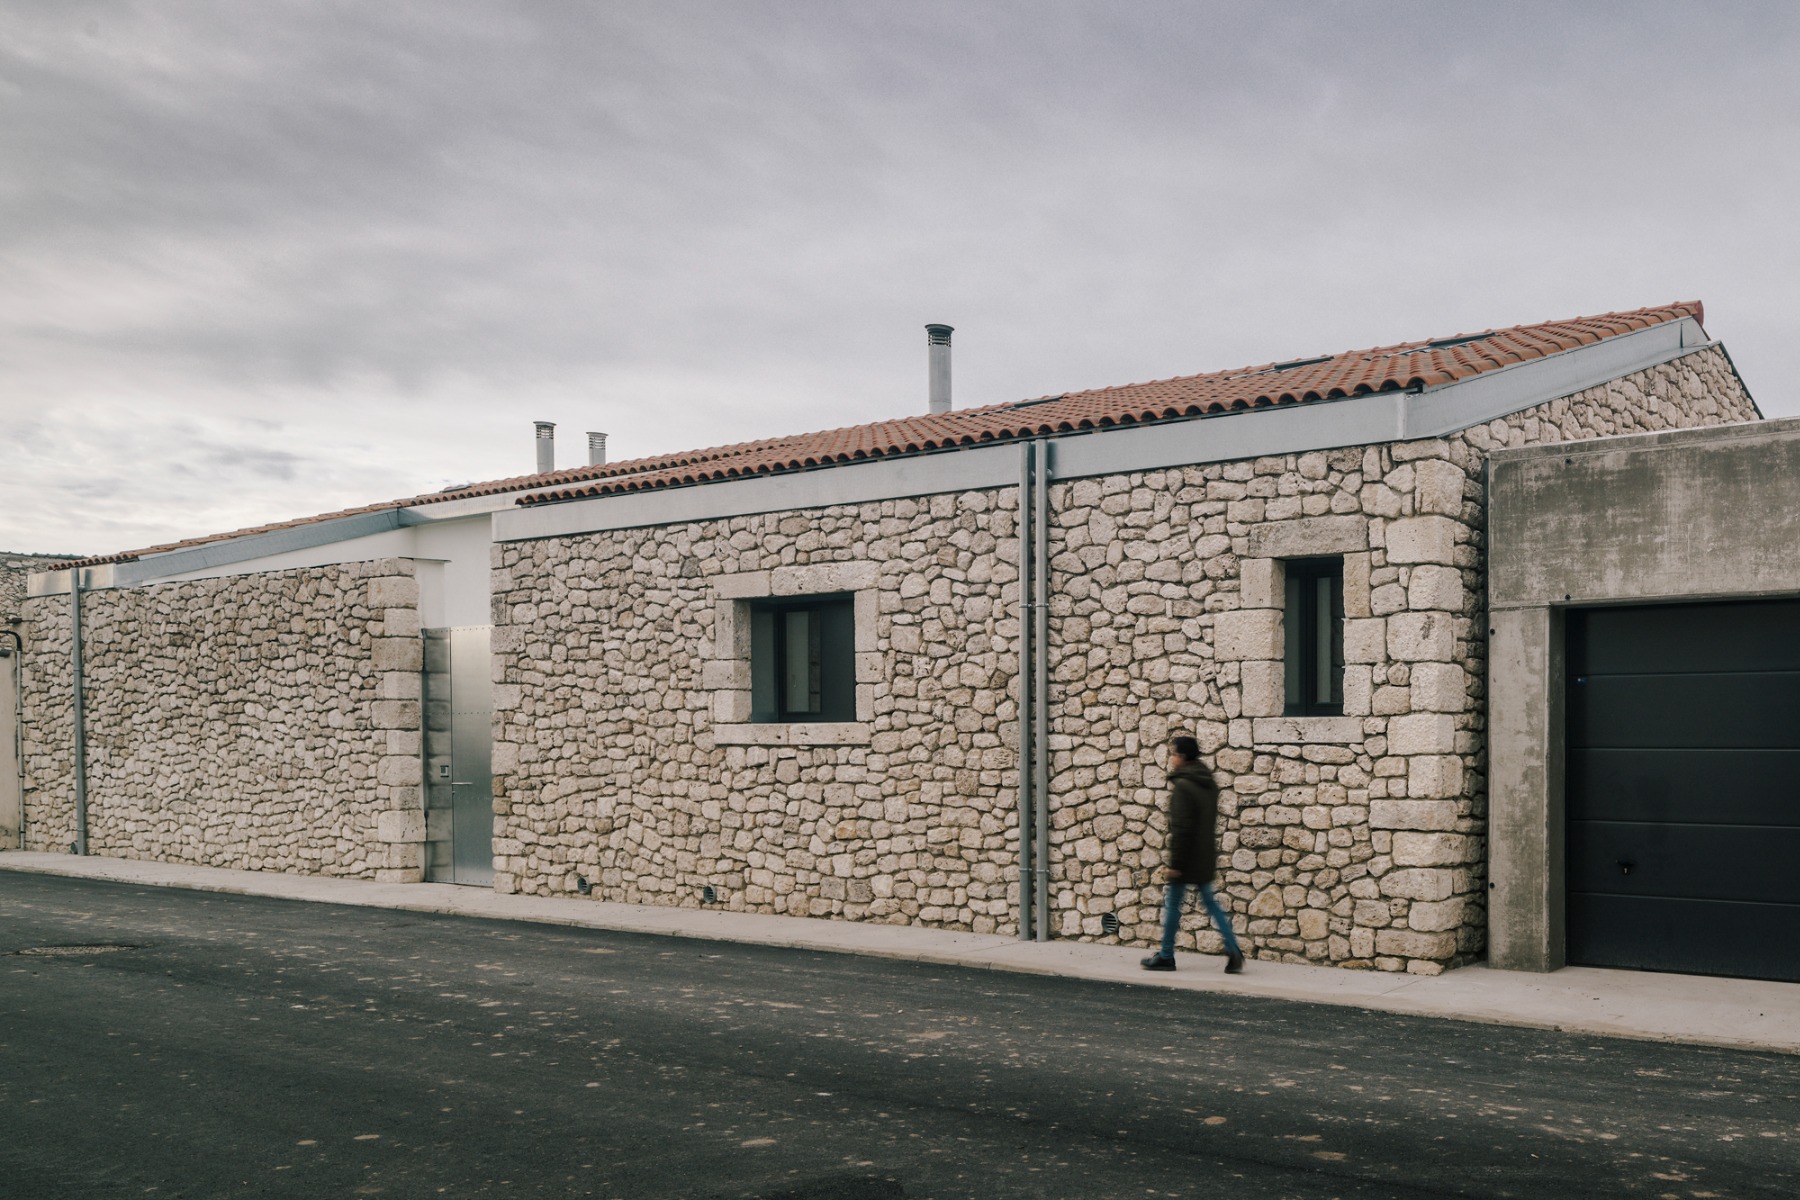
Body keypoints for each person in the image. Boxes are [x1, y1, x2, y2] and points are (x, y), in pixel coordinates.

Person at [1142, 735, 1244, 973]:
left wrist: (1176, 864)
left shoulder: (1184, 786)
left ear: (1183, 756)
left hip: (1186, 858)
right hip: (1204, 855)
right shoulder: (1208, 782)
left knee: (1173, 905)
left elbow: (1182, 829)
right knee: (1211, 904)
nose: (1171, 758)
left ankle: (1166, 955)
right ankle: (1233, 949)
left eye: (1173, 754)